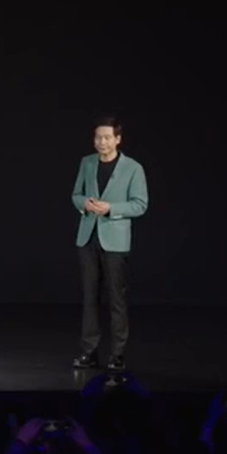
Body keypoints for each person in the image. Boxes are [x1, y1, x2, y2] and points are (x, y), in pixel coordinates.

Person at [70, 116, 148, 371]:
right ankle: (89, 351)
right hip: (88, 237)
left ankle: (117, 354)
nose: (101, 142)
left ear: (117, 139)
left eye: (106, 137)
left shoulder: (133, 168)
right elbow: (76, 194)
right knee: (90, 297)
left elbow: (140, 204)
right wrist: (85, 204)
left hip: (115, 241)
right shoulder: (87, 162)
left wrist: (111, 208)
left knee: (116, 298)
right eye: (98, 137)